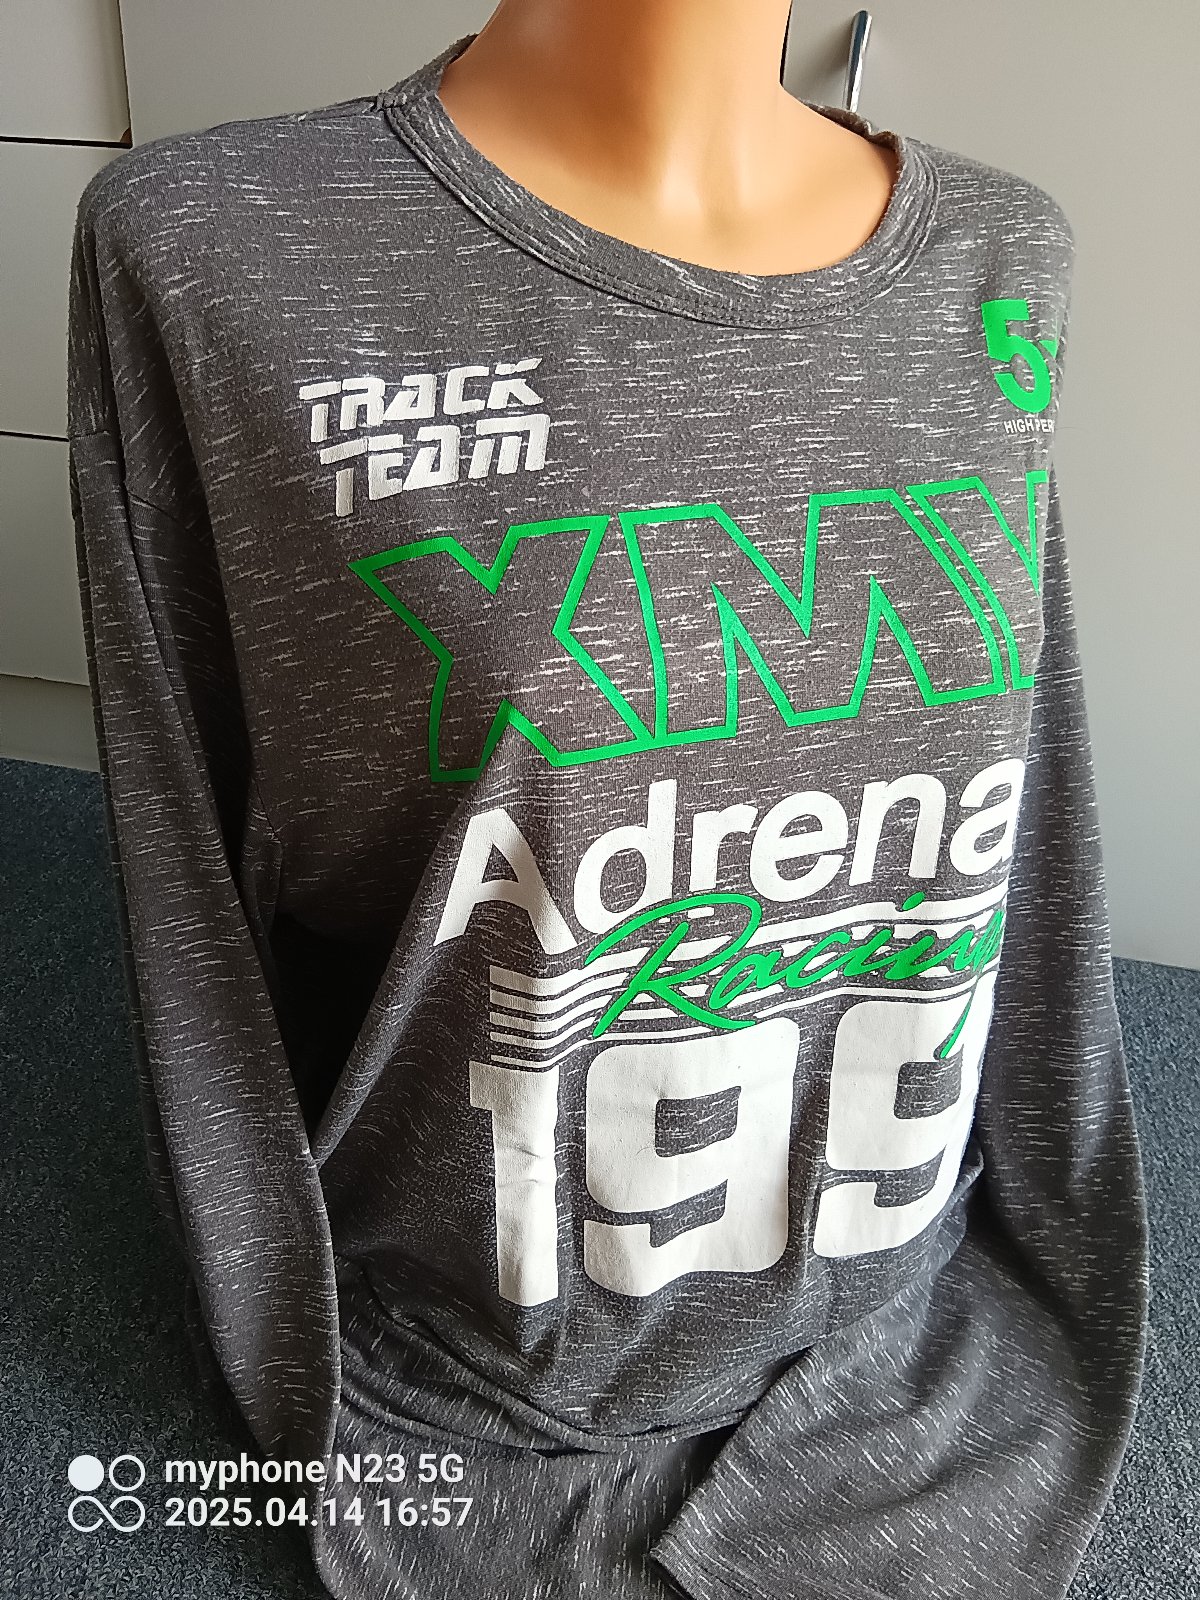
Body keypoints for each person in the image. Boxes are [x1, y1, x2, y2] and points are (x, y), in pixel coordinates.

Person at [68, 4, 1149, 1597]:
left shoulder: (1004, 252)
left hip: (886, 1263)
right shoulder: (208, 246)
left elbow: (1024, 793)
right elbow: (185, 882)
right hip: (467, 1319)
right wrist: (269, 1294)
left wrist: (1057, 1169)